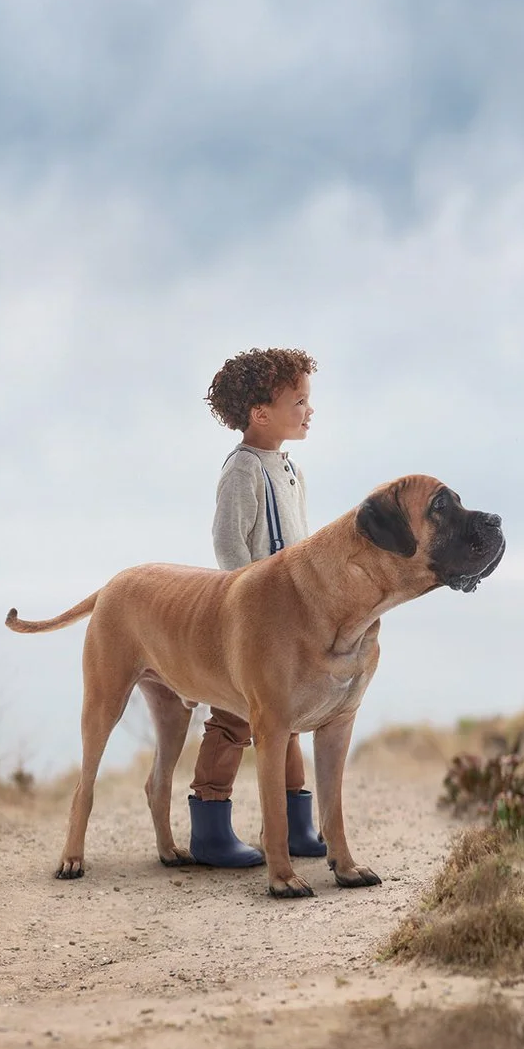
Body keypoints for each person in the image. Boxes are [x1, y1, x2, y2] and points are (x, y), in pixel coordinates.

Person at [183, 347, 331, 868]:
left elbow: (300, 542)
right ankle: (209, 827)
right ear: (260, 413)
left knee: (285, 717)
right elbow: (229, 542)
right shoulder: (243, 470)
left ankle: (292, 824)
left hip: (289, 619)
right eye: (299, 401)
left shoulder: (290, 470)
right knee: (232, 718)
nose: (309, 410)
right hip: (252, 620)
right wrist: (251, 601)